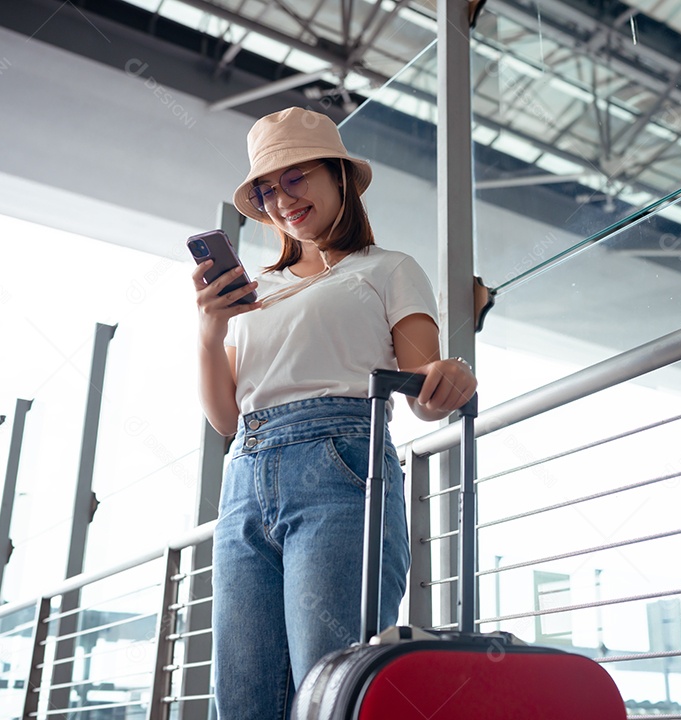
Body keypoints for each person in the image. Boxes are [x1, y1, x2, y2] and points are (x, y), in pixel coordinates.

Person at [192, 107, 477, 720]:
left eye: (296, 178)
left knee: (332, 691)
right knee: (242, 700)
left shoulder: (388, 269)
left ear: (339, 176)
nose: (281, 200)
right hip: (244, 482)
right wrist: (210, 330)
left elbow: (421, 387)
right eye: (267, 190)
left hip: (340, 471)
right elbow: (224, 419)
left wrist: (444, 377)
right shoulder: (255, 293)